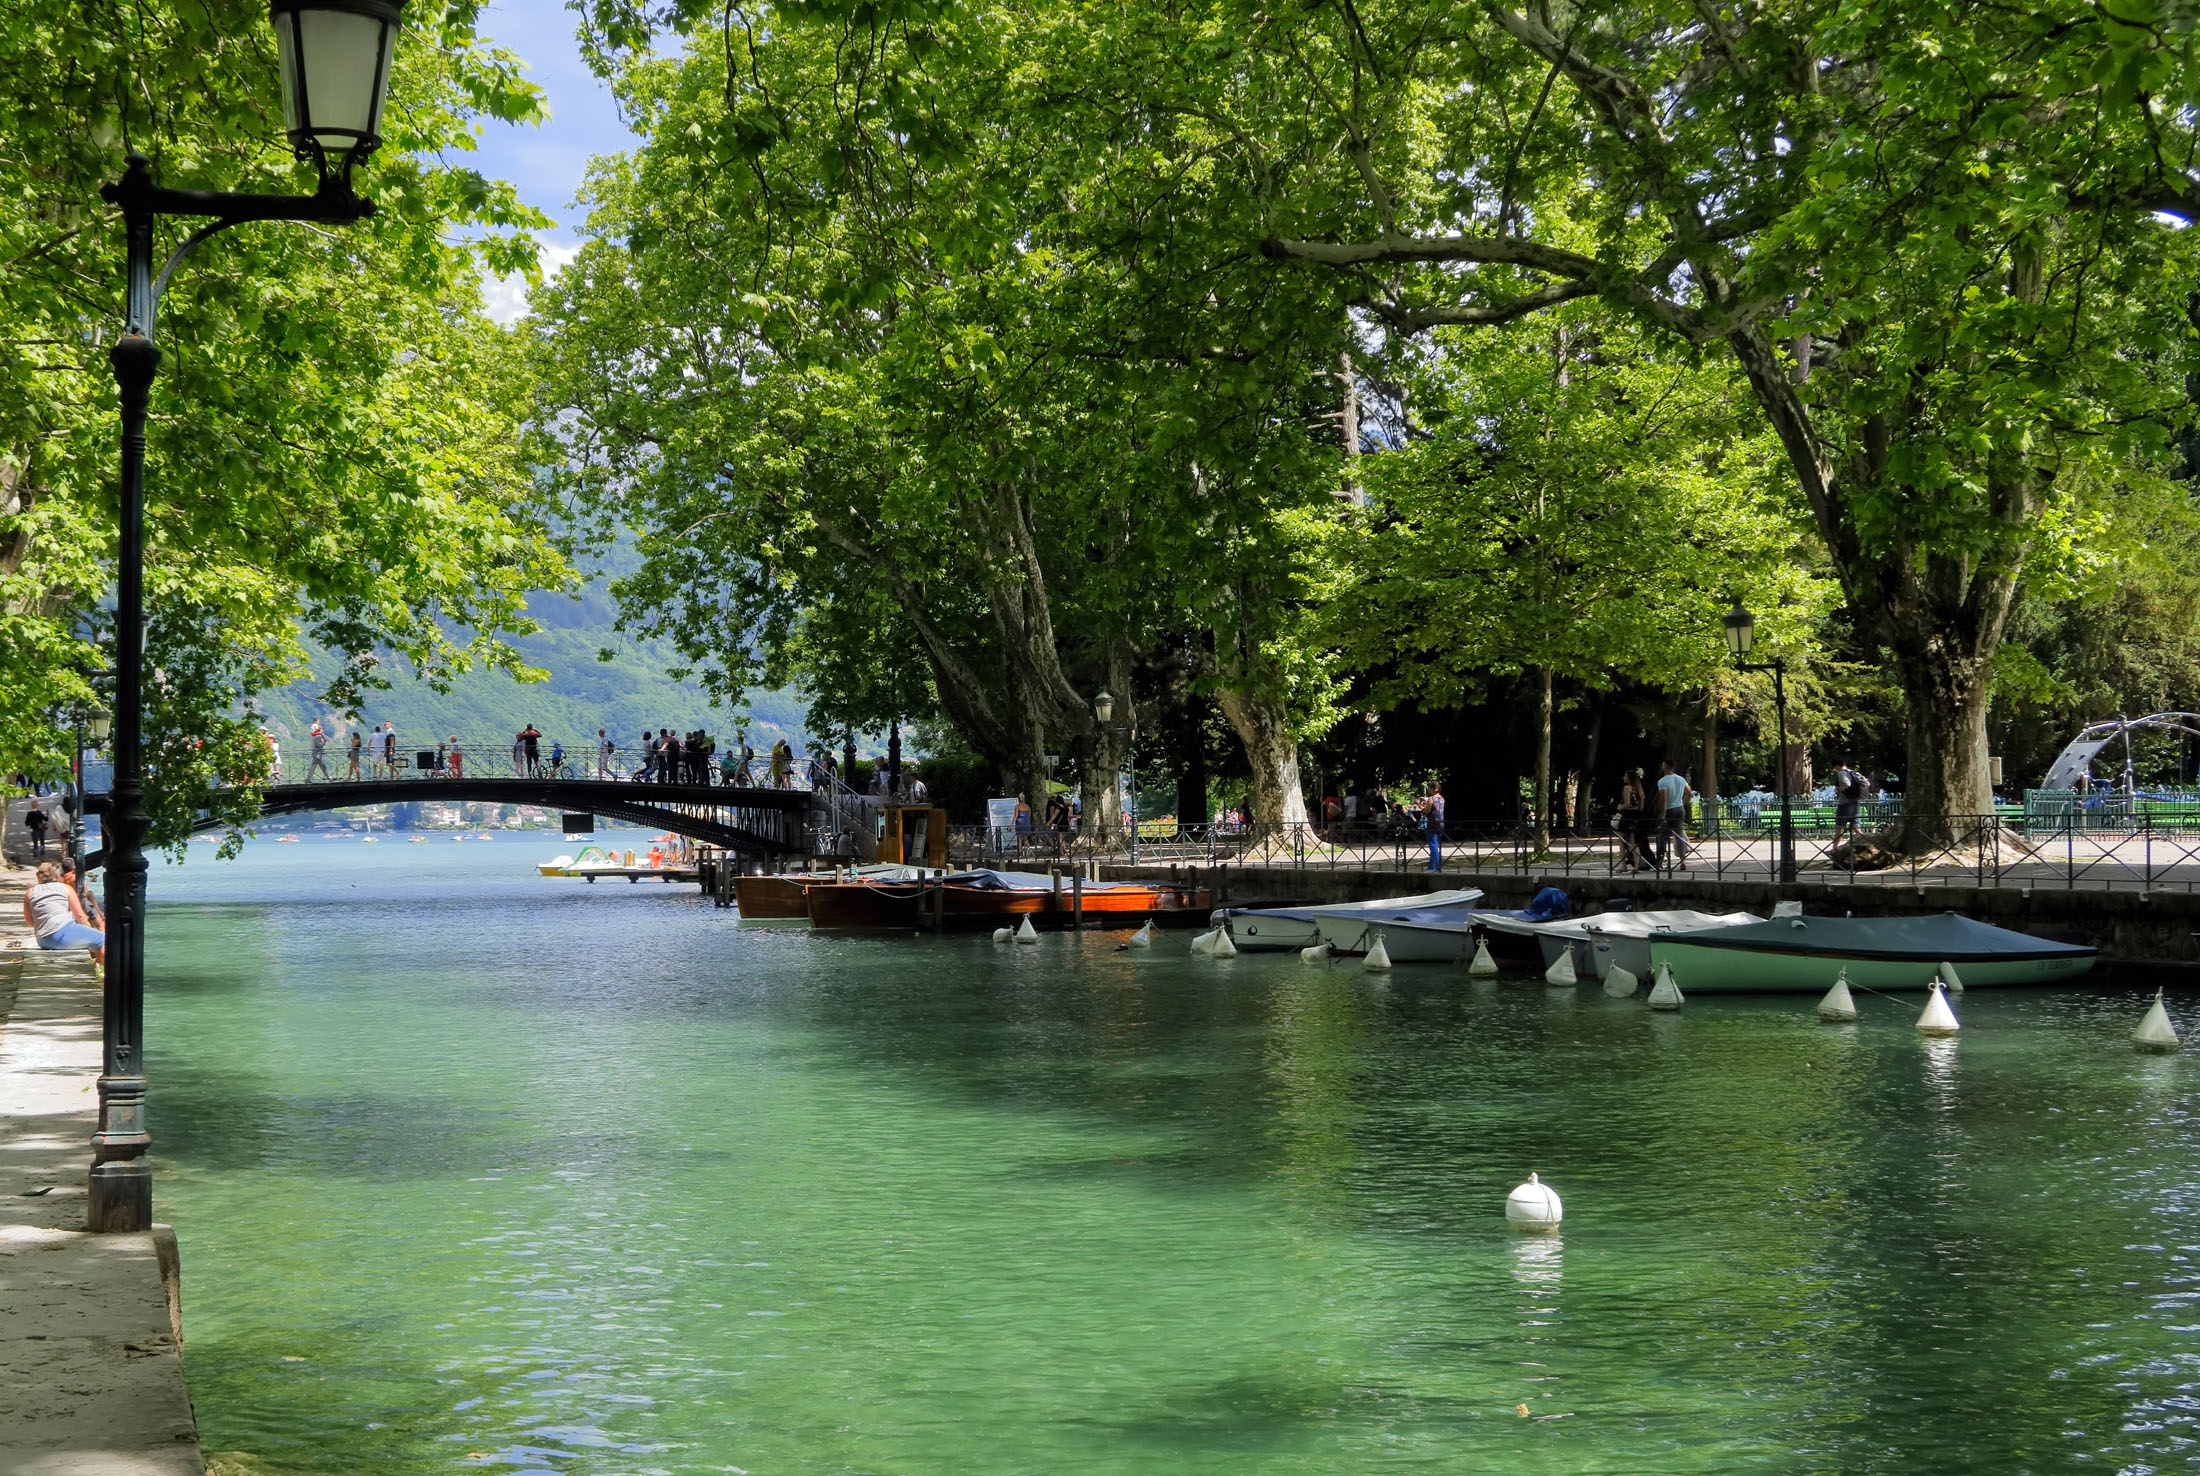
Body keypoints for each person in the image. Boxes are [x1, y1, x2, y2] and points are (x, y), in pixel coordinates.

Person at [23, 860, 102, 963]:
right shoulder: (66, 889)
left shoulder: (30, 892)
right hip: (63, 933)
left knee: (91, 938)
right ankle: (103, 970)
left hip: (43, 940)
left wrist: (45, 925)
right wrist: (87, 931)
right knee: (103, 939)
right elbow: (80, 915)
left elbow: (29, 920)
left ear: (40, 875)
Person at [1656, 759, 1693, 871]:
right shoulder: (1681, 779)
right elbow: (1689, 793)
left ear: (1665, 767)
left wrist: (1663, 813)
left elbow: (1664, 798)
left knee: (1662, 835)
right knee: (1679, 834)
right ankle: (1682, 861)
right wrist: (1683, 803)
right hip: (1680, 808)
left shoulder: (1662, 781)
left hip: (1669, 810)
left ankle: (1660, 861)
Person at [1616, 767, 1649, 873]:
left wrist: (1620, 807)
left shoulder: (1627, 788)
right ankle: (1636, 866)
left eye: (1624, 776)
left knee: (1622, 840)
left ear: (1629, 778)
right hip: (1637, 817)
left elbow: (1627, 804)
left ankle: (1623, 865)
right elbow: (1641, 808)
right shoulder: (1640, 790)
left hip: (1627, 816)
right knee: (1633, 842)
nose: (1623, 778)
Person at [1833, 761, 1867, 846]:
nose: (1834, 770)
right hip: (1855, 803)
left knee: (1839, 828)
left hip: (1844, 804)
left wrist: (1838, 789)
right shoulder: (1855, 773)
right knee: (1857, 828)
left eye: (1834, 768)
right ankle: (1865, 846)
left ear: (1837, 766)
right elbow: (1867, 783)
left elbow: (1847, 784)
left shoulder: (1841, 773)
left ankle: (1834, 849)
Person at [1424, 786, 1445, 871]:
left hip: (1432, 823)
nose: (1429, 790)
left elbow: (1426, 811)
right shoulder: (1442, 799)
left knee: (1433, 845)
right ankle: (1431, 866)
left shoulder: (1431, 798)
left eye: (1430, 788)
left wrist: (1421, 806)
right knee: (1436, 844)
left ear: (1434, 789)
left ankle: (1438, 866)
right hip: (1441, 823)